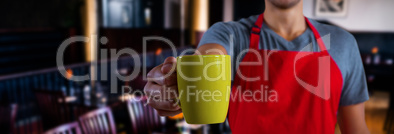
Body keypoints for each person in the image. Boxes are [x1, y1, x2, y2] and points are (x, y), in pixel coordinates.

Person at [144, 0, 370, 133]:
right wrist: (175, 84)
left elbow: (355, 128)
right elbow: (208, 60)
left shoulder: (343, 43)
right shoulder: (228, 34)